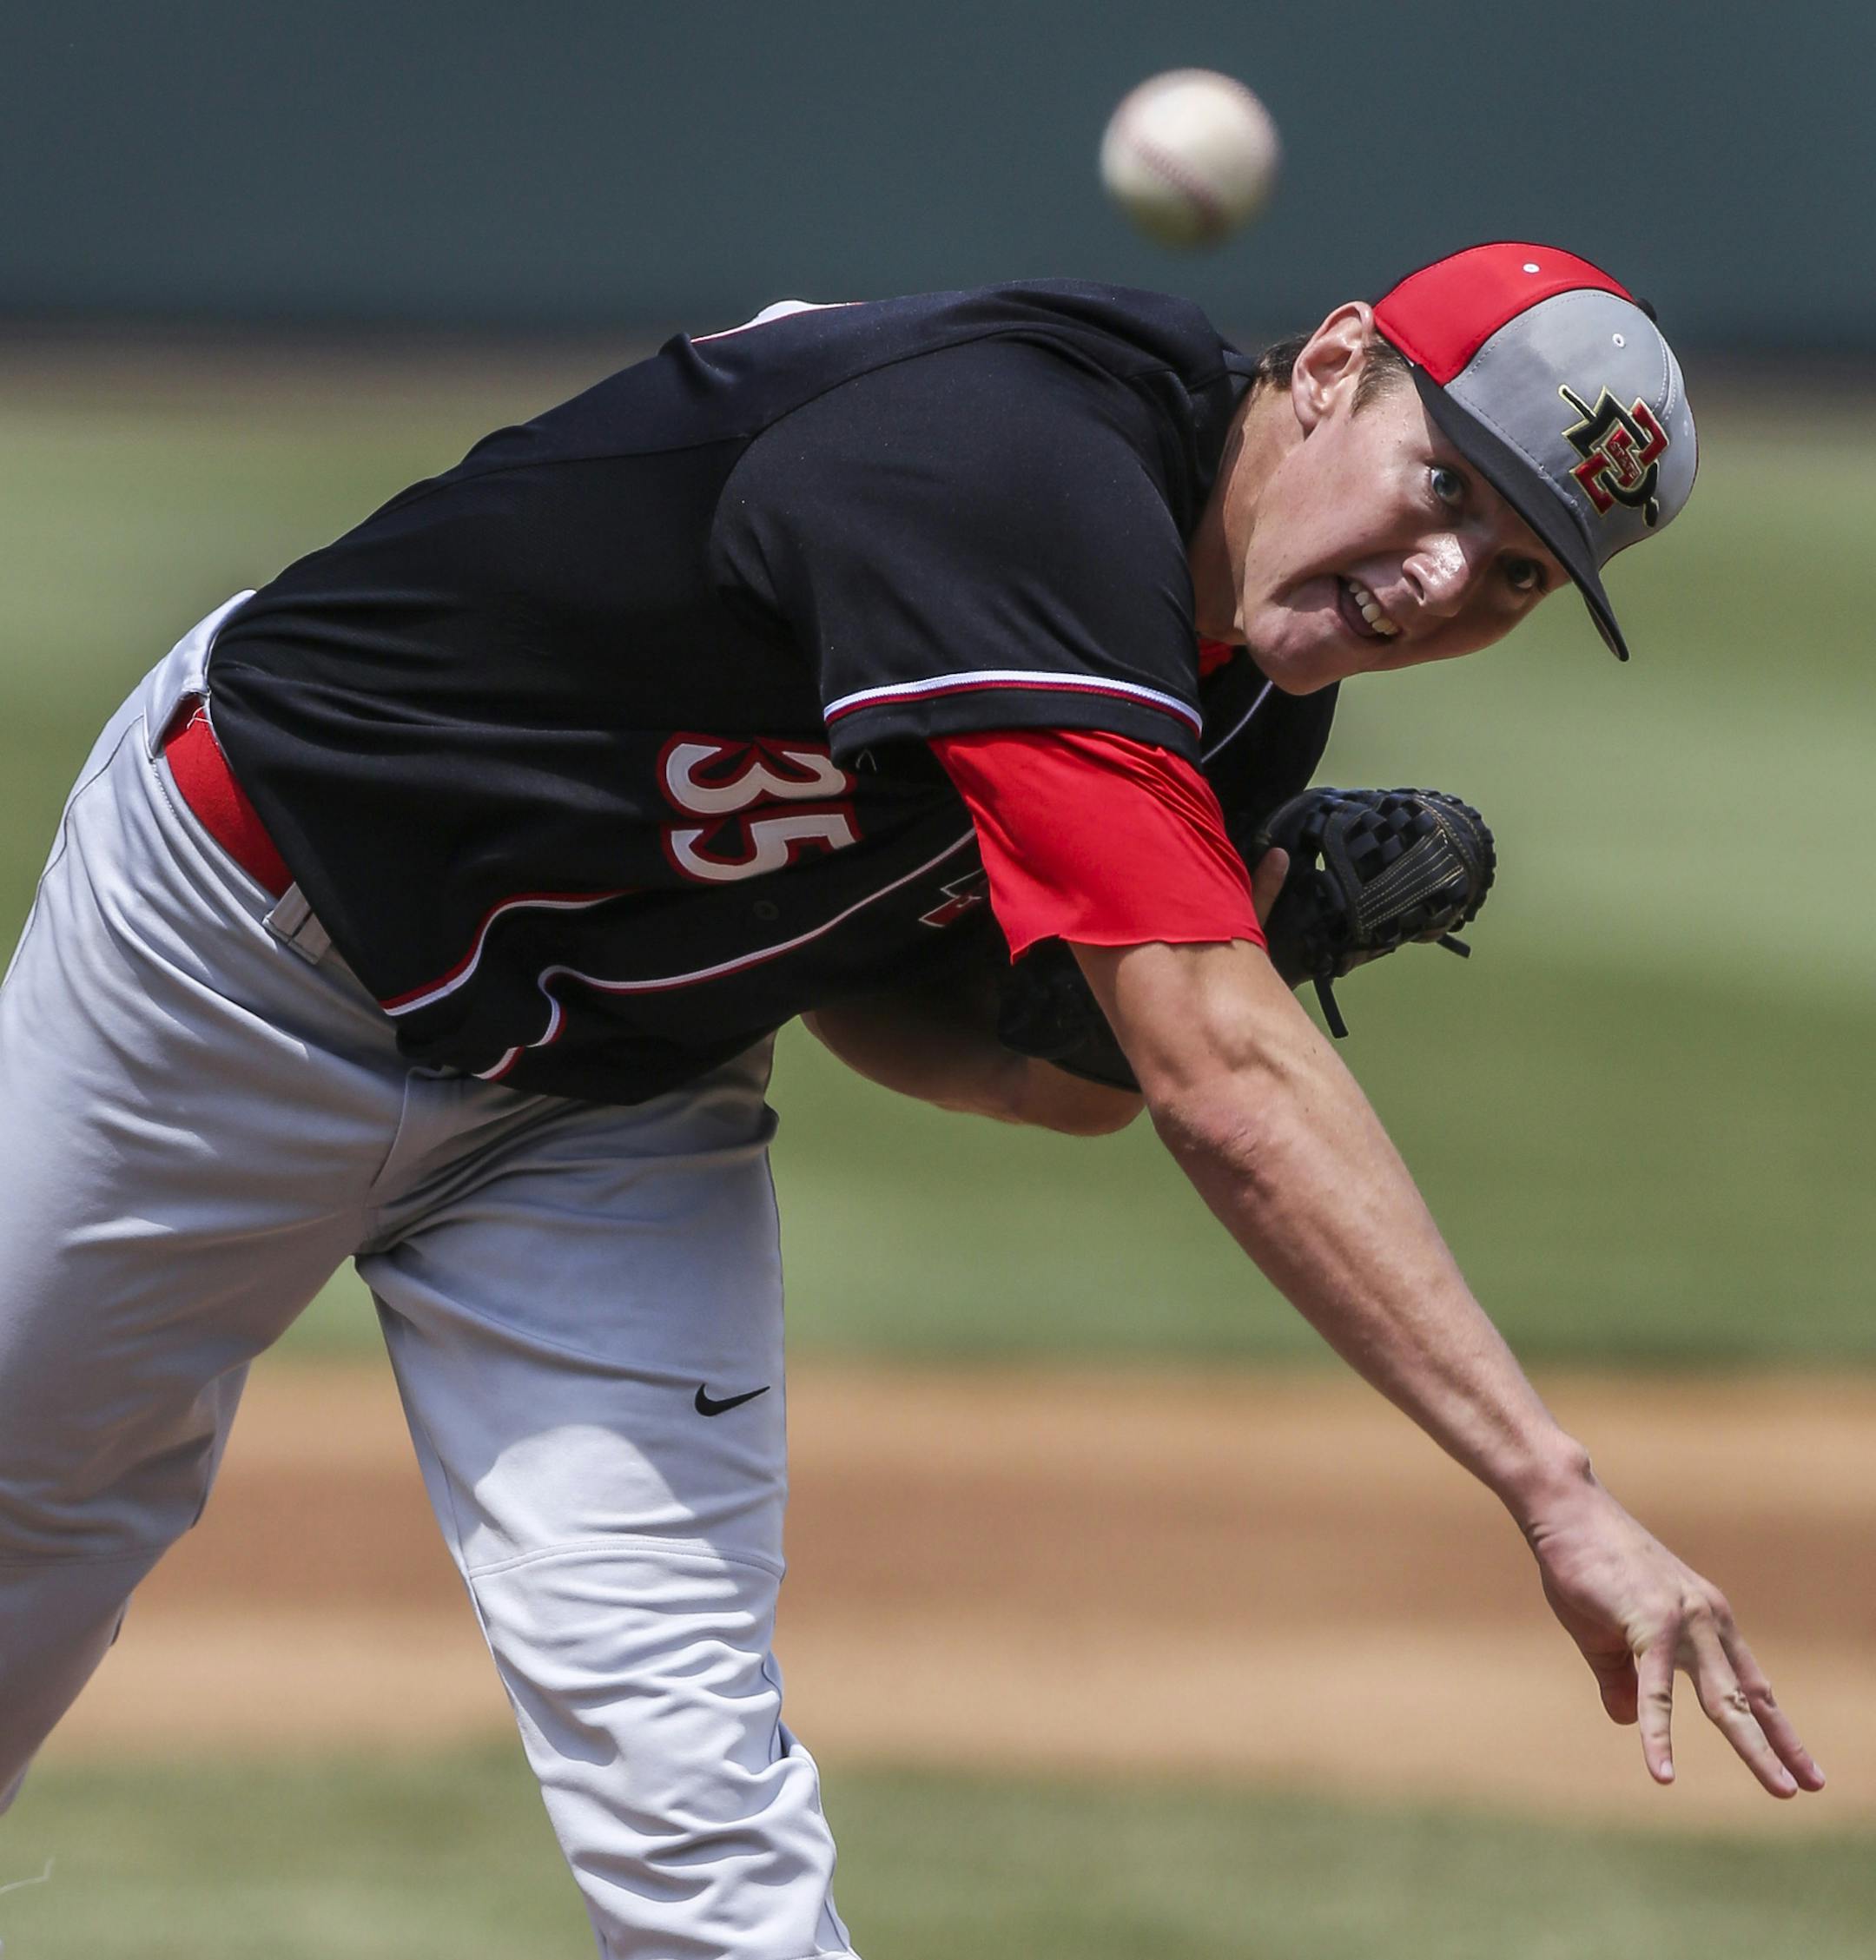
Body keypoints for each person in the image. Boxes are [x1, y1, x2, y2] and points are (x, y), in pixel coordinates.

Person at [0, 241, 1820, 1957]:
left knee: (693, 1782)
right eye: (1451, 488)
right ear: (1338, 363)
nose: (1447, 583)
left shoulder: (1250, 697)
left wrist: (1192, 952)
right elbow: (1221, 1080)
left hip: (606, 1097)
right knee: (35, 1525)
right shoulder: (1015, 470)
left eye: (1516, 572)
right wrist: (1553, 1488)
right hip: (228, 960)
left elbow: (1008, 1058)